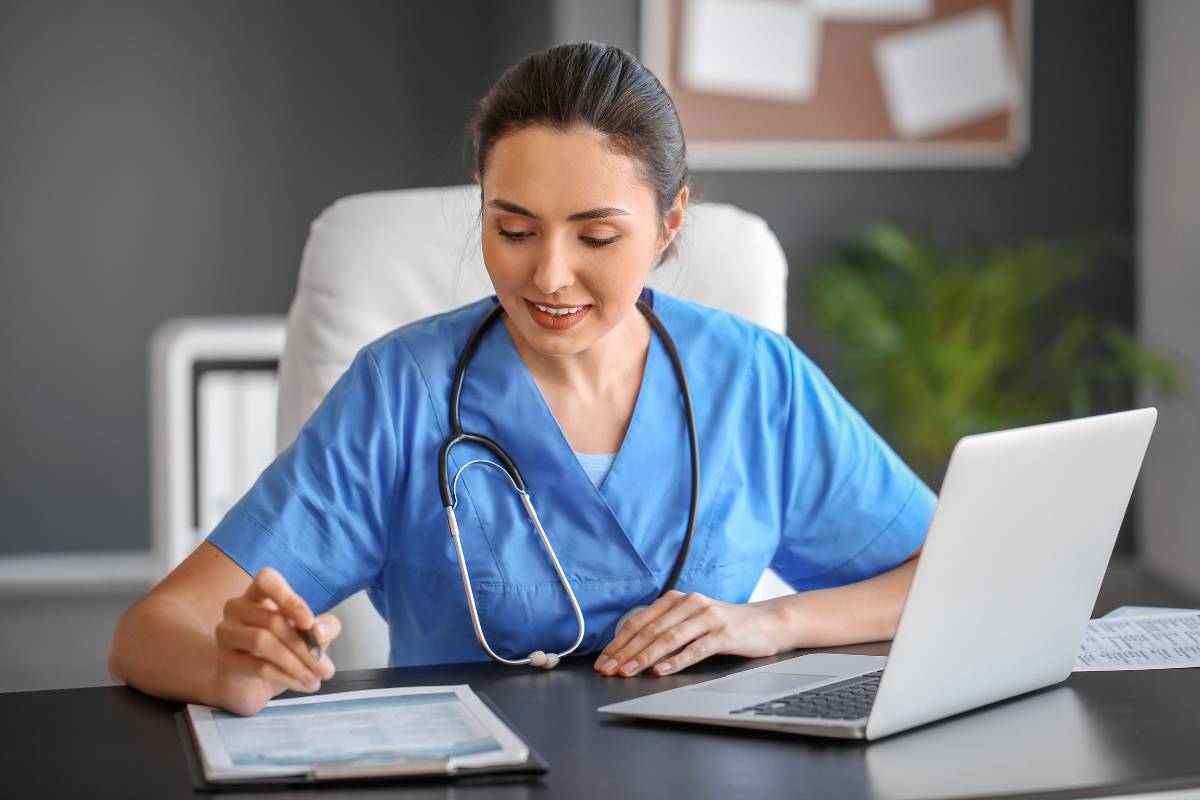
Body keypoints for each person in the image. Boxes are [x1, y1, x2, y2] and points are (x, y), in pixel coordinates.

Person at [108, 42, 934, 716]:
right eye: (513, 229)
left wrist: (772, 622)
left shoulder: (755, 380)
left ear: (670, 221)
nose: (549, 276)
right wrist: (233, 667)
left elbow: (943, 571)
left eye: (596, 237)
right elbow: (151, 630)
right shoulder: (403, 392)